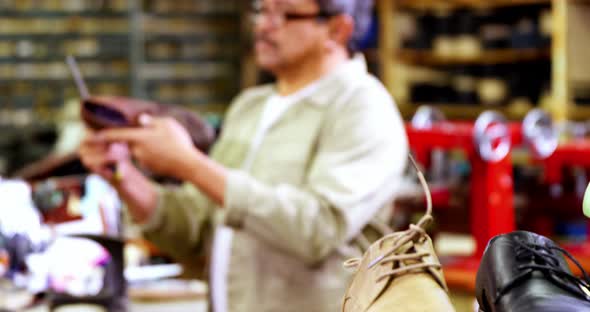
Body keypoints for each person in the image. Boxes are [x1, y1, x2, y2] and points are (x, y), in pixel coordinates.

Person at [79, 0, 408, 310]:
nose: (264, 26)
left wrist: (190, 164)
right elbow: (196, 229)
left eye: (284, 13)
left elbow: (318, 228)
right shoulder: (250, 107)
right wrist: (123, 175)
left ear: (337, 30)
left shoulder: (363, 108)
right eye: (261, 10)